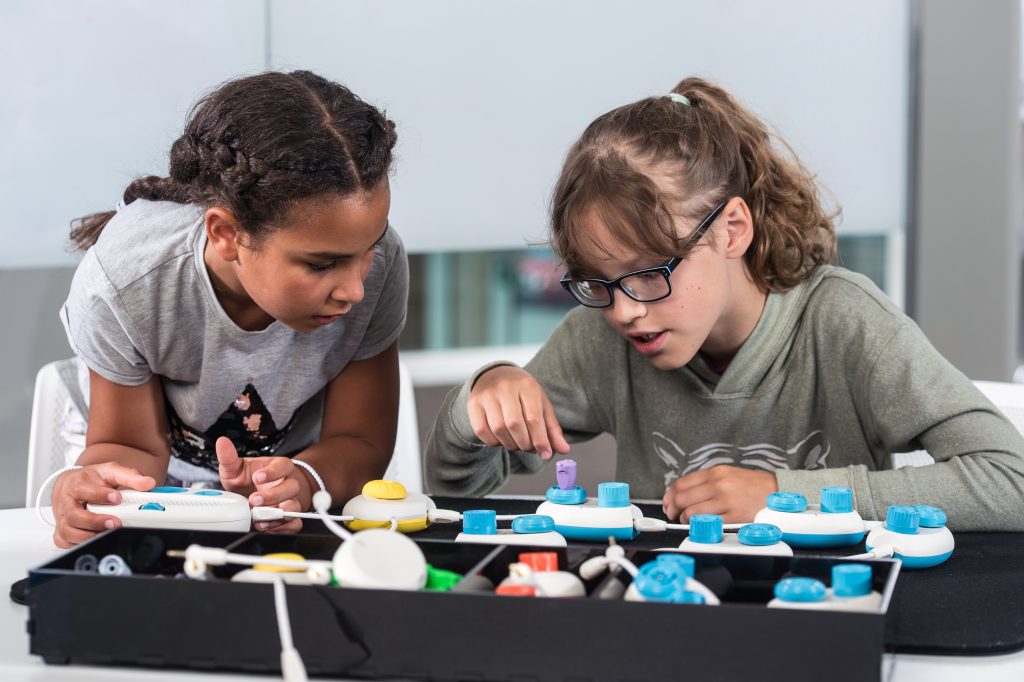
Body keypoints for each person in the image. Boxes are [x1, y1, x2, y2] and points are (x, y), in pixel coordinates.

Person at [425, 76, 1024, 531]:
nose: (624, 310)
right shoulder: (600, 336)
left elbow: (1010, 481)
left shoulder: (844, 323)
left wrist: (782, 497)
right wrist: (479, 402)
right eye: (599, 283)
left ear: (732, 229)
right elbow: (461, 493)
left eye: (649, 272)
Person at [53, 70, 408, 547]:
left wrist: (302, 480)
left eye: (370, 248)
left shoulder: (378, 265)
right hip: (165, 492)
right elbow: (129, 446)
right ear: (226, 234)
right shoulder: (124, 282)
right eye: (322, 264)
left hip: (296, 490)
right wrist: (99, 495)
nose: (354, 290)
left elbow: (362, 441)